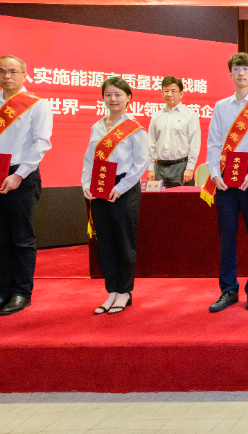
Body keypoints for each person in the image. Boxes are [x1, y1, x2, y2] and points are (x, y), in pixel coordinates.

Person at [0, 55, 53, 317]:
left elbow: (41, 143)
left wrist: (19, 175)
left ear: (24, 74)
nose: (7, 76)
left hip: (21, 174)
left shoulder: (37, 105)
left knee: (21, 237)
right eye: (1, 71)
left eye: (13, 71)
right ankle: (4, 292)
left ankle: (22, 293)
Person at [204, 53, 248, 313]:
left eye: (246, 69)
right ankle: (228, 290)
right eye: (237, 69)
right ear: (231, 74)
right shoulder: (221, 106)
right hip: (225, 175)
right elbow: (214, 143)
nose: (241, 73)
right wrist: (215, 174)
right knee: (227, 235)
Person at [81, 77, 148, 315]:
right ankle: (111, 290)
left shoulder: (135, 128)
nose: (113, 99)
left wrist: (120, 188)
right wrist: (86, 184)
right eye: (108, 94)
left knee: (124, 241)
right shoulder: (97, 127)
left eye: (118, 95)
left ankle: (124, 291)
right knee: (105, 242)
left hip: (124, 188)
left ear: (128, 97)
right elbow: (89, 160)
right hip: (99, 187)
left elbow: (141, 164)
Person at [148, 76, 202, 188]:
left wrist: (190, 168)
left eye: (173, 91)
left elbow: (194, 143)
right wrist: (150, 167)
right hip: (159, 167)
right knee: (158, 199)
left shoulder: (190, 115)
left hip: (181, 167)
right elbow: (151, 143)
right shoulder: (156, 116)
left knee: (181, 199)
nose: (169, 94)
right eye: (166, 91)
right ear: (162, 93)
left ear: (181, 94)